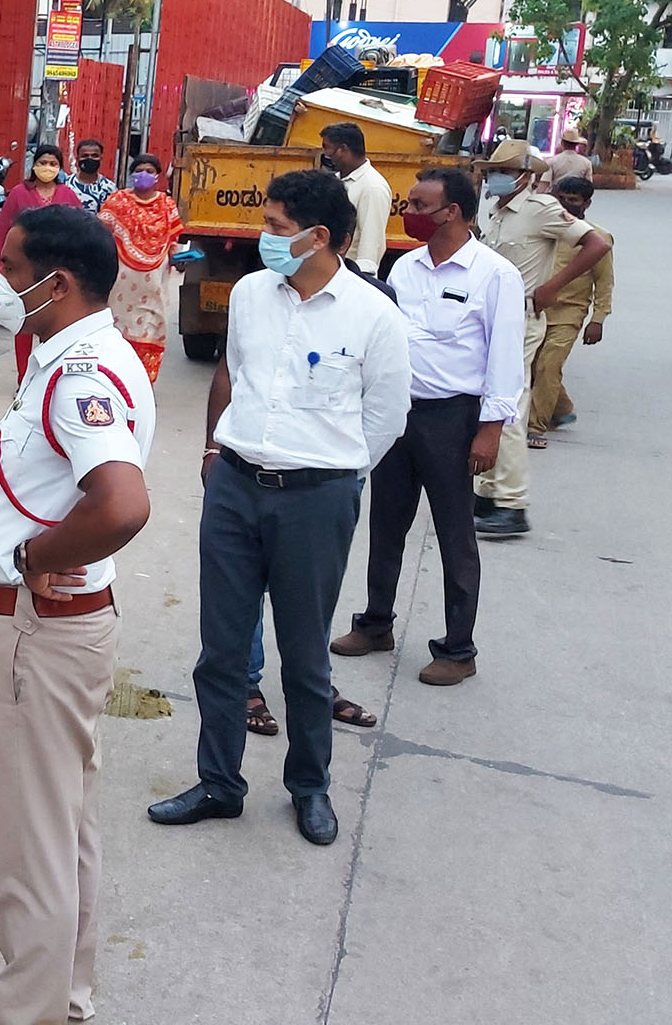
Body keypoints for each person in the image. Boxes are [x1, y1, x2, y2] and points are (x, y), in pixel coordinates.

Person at [148, 170, 408, 847]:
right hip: (235, 489)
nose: (262, 236)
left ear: (318, 237)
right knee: (222, 651)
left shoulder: (374, 314)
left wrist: (334, 473)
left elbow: (386, 417)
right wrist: (215, 451)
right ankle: (218, 783)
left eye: (274, 226)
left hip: (317, 499)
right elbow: (233, 374)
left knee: (304, 656)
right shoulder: (251, 294)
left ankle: (309, 787)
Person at [0, 206, 155, 1025]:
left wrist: (34, 556)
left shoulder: (78, 376)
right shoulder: (86, 355)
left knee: (27, 838)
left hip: (33, 628)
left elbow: (122, 504)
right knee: (62, 825)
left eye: (10, 267)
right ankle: (59, 995)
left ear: (57, 283)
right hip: (58, 627)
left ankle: (25, 1012)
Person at [333, 168, 523, 688]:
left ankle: (458, 649)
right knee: (386, 522)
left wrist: (491, 429)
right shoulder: (406, 267)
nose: (409, 212)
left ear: (452, 212)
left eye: (419, 204)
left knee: (454, 532)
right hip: (399, 414)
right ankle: (375, 623)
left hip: (453, 418)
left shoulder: (495, 274)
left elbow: (506, 357)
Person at [472, 140, 610, 538]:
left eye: (503, 171)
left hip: (521, 317)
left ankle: (512, 503)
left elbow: (597, 244)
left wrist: (552, 287)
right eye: (493, 171)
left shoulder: (541, 209)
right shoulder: (497, 213)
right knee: (489, 405)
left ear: (525, 176)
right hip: (492, 318)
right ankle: (488, 492)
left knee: (508, 409)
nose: (495, 178)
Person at [0, 145, 85, 379]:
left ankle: (49, 374)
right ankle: (24, 378)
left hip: (59, 270)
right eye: (43, 163)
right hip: (26, 268)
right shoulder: (19, 193)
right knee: (23, 321)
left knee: (55, 322)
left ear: (60, 168)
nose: (47, 168)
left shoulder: (67, 195)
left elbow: (81, 230)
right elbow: (2, 229)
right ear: (34, 166)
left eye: (53, 164)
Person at [531, 176, 613, 439]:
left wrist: (598, 319)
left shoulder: (598, 238)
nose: (566, 204)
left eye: (573, 200)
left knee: (548, 365)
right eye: (561, 198)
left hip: (569, 313)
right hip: (535, 309)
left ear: (586, 203)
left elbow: (604, 282)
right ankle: (562, 408)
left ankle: (535, 428)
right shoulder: (545, 229)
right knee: (532, 365)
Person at [95, 154, 186, 382]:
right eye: (139, 170)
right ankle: (113, 381)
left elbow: (173, 241)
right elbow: (101, 235)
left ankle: (142, 384)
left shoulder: (166, 205)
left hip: (154, 285)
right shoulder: (117, 201)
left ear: (157, 176)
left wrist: (178, 257)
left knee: (152, 328)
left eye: (149, 171)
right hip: (120, 285)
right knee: (116, 330)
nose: (143, 175)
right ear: (131, 174)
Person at [319, 123, 394, 275]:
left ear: (343, 149)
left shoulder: (372, 187)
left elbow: (371, 242)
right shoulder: (335, 180)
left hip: (349, 275)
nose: (325, 154)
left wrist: (361, 277)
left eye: (327, 148)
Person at [67, 137, 117, 213]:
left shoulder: (110, 188)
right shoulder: (66, 184)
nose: (89, 159)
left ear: (101, 159)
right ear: (77, 159)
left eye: (94, 156)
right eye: (85, 156)